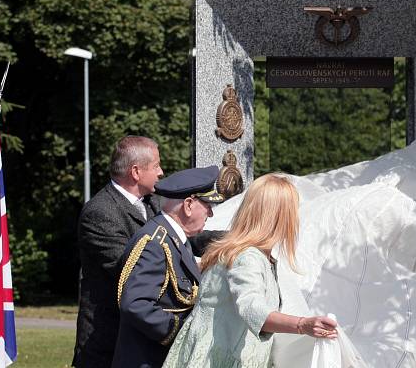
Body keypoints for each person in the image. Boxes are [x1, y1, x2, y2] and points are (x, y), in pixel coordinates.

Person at [162, 173, 338, 368]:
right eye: (293, 210)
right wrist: (302, 325)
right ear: (280, 216)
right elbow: (252, 308)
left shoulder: (248, 253)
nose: (296, 217)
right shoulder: (248, 257)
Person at [112, 166, 224, 368]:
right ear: (188, 205)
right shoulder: (155, 243)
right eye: (208, 204)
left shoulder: (175, 239)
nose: (210, 213)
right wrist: (183, 333)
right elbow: (136, 304)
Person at [73, 135, 163, 368]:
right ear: (136, 172)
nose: (161, 172)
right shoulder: (100, 212)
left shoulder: (153, 202)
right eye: (156, 166)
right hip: (108, 345)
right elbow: (133, 267)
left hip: (139, 341)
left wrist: (232, 239)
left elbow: (183, 237)